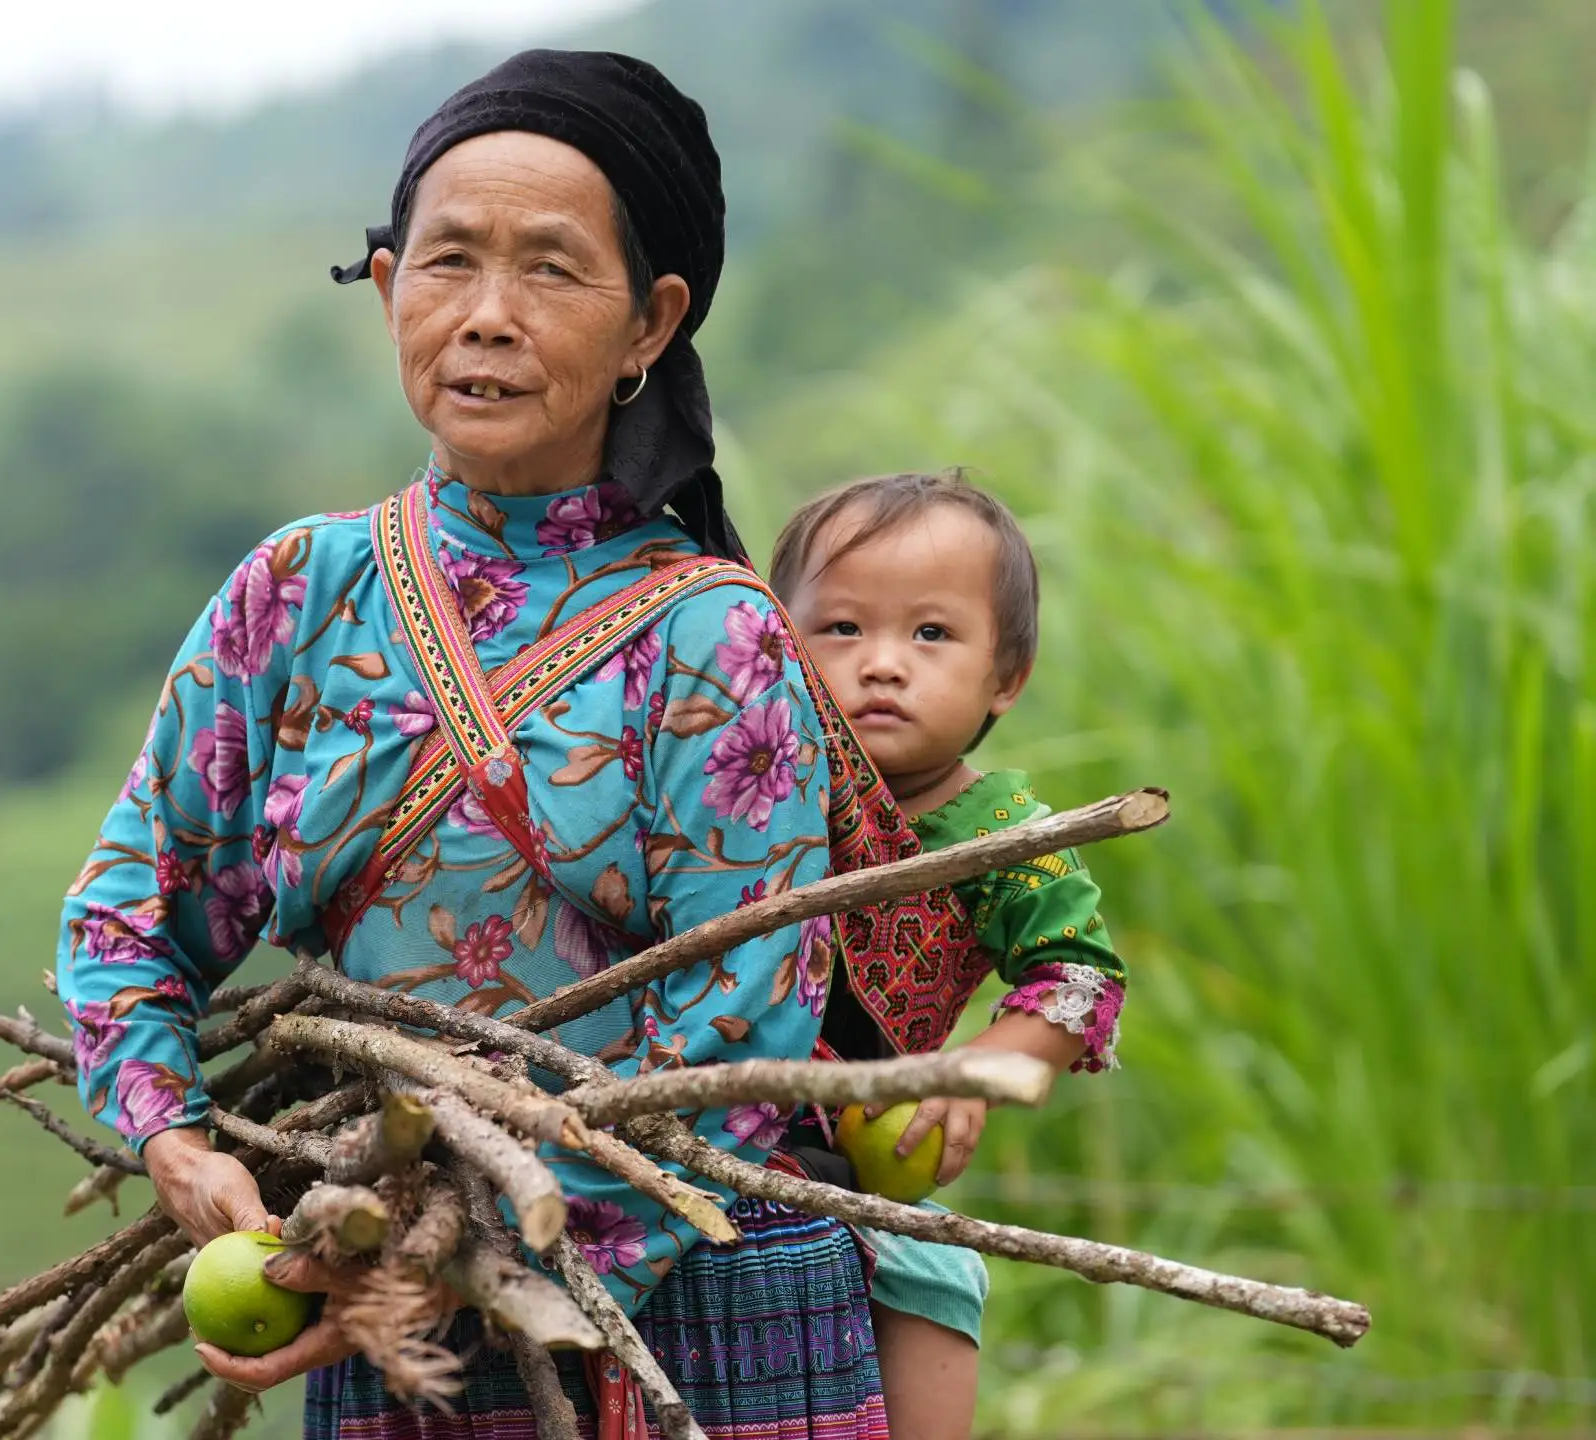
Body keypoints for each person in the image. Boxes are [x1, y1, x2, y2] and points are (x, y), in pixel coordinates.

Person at [56, 49, 976, 1440]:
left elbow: (741, 1025)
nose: (487, 316)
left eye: (551, 270)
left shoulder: (711, 639)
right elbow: (132, 914)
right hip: (382, 1316)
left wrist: (464, 1266)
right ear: (386, 290)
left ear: (651, 324)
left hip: (705, 1320)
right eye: (448, 263)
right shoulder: (297, 599)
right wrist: (179, 1141)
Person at [767, 470, 1128, 1440]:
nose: (881, 664)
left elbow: (1079, 975)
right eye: (839, 629)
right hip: (706, 1134)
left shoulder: (999, 833)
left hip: (877, 1167)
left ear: (1005, 676)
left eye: (930, 634)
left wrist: (975, 1074)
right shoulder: (748, 781)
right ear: (771, 646)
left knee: (931, 1286)